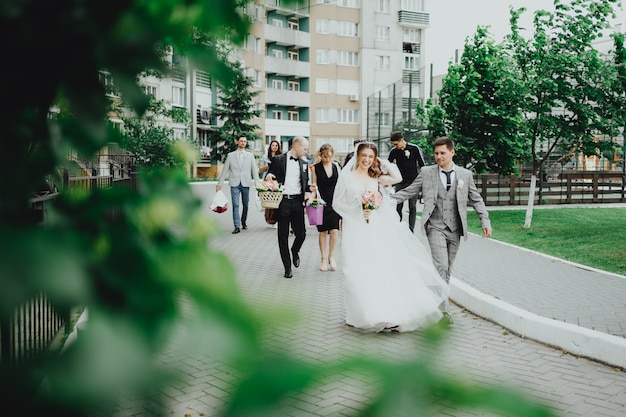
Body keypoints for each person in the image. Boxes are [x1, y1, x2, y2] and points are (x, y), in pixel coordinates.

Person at [332, 142, 449, 332]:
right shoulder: (347, 177)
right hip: (357, 228)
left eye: (371, 156)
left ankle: (384, 313)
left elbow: (397, 177)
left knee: (379, 267)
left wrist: (383, 162)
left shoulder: (375, 177)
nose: (367, 160)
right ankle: (360, 314)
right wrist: (357, 210)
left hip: (376, 228)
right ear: (357, 155)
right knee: (357, 271)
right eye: (364, 155)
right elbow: (337, 203)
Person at [392, 136, 492, 292]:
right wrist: (384, 201)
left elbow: (476, 200)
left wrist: (485, 221)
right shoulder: (426, 172)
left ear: (452, 152)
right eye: (436, 153)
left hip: (455, 229)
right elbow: (408, 191)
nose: (439, 156)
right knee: (441, 266)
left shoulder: (465, 175)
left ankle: (438, 300)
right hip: (435, 226)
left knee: (448, 269)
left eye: (442, 153)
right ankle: (442, 308)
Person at [265, 136, 316, 279]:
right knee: (282, 236)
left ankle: (295, 251)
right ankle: (287, 267)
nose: (306, 152)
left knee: (301, 234)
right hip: (282, 202)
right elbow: (269, 177)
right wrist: (268, 176)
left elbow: (303, 184)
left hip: (297, 202)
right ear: (297, 147)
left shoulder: (304, 163)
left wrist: (309, 187)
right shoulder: (278, 159)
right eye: (305, 149)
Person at [216, 136, 260, 234]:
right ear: (237, 142)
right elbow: (225, 170)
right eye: (241, 141)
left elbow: (254, 170)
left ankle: (243, 221)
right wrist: (220, 184)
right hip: (234, 183)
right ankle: (237, 226)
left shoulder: (250, 155)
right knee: (235, 205)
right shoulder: (231, 155)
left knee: (245, 204)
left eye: (245, 141)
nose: (243, 143)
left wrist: (258, 184)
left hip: (246, 183)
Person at [310, 144, 341, 272]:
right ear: (320, 155)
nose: (327, 159)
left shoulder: (336, 166)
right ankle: (323, 258)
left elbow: (341, 184)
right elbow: (313, 186)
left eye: (329, 157)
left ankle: (331, 256)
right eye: (324, 157)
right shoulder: (315, 168)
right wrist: (312, 193)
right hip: (321, 202)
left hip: (335, 202)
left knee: (334, 231)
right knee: (322, 232)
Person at [388, 131, 426, 232]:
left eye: (396, 144)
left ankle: (411, 230)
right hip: (400, 182)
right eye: (394, 145)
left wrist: (422, 181)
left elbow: (422, 165)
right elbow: (388, 165)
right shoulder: (394, 152)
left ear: (401, 140)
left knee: (412, 206)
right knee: (398, 205)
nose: (395, 146)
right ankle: (398, 227)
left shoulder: (414, 148)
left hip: (413, 182)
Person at [259, 140, 282, 226]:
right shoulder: (265, 156)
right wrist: (267, 166)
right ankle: (269, 218)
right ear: (270, 146)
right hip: (267, 180)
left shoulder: (280, 156)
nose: (275, 147)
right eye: (273, 145)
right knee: (268, 200)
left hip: (277, 180)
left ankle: (276, 219)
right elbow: (260, 169)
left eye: (276, 145)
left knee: (276, 200)